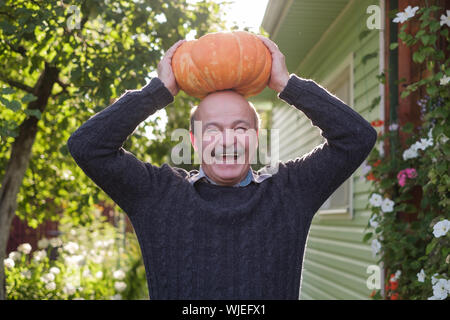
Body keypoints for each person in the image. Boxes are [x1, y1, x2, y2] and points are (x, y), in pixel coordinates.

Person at [67, 35, 377, 299]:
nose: (227, 140)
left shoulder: (288, 191)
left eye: (241, 128)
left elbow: (356, 137)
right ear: (195, 140)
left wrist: (287, 84)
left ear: (255, 138)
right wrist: (157, 92)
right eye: (213, 130)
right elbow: (88, 146)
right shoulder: (157, 195)